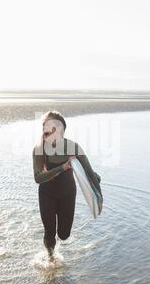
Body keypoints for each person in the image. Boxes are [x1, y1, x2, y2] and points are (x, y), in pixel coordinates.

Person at [32, 111, 102, 261]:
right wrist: (63, 168)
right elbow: (38, 178)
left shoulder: (73, 147)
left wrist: (99, 197)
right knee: (49, 232)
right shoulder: (39, 149)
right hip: (47, 193)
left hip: (67, 193)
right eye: (46, 125)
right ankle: (51, 256)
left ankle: (59, 242)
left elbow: (89, 173)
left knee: (64, 235)